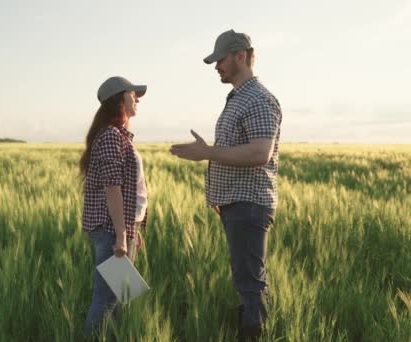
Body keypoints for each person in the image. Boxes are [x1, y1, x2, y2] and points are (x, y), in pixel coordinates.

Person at [170, 29, 282, 340]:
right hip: (237, 205)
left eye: (220, 59)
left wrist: (207, 152)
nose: (216, 66)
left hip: (249, 206)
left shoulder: (258, 99)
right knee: (245, 281)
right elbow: (237, 149)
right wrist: (222, 192)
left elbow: (260, 152)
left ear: (241, 56)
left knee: (250, 284)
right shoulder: (238, 99)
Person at [80, 76, 149, 337]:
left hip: (119, 227)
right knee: (106, 299)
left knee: (118, 300)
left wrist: (132, 228)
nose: (138, 99)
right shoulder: (111, 137)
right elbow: (113, 189)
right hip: (111, 229)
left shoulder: (118, 136)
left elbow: (127, 192)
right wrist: (121, 235)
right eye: (134, 95)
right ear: (120, 100)